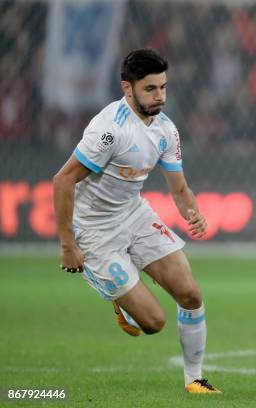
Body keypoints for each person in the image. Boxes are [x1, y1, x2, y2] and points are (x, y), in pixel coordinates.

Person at [53, 49, 221, 395]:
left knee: (190, 293)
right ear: (127, 88)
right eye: (150, 89)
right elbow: (63, 180)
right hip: (95, 232)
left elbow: (179, 187)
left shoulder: (165, 130)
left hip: (134, 213)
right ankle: (118, 297)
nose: (159, 96)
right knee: (153, 322)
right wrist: (68, 244)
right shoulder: (108, 131)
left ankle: (195, 380)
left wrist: (193, 211)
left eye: (163, 87)